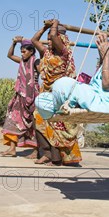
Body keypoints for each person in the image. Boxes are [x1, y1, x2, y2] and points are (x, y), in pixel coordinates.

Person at [35, 11, 109, 128]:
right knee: (40, 100)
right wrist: (102, 56)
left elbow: (108, 85)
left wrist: (106, 56)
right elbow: (98, 79)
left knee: (62, 83)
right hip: (97, 95)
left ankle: (70, 103)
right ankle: (69, 104)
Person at [31, 19, 82, 166]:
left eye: (51, 39)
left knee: (56, 124)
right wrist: (44, 27)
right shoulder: (47, 53)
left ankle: (57, 158)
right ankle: (47, 153)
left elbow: (54, 37)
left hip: (59, 95)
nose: (49, 42)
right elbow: (34, 40)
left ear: (60, 39)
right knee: (39, 119)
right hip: (46, 93)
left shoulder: (64, 53)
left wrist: (55, 23)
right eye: (47, 40)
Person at [0, 36, 40, 157]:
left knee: (33, 123)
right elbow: (9, 55)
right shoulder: (22, 61)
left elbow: (42, 72)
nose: (22, 54)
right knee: (12, 119)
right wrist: (14, 43)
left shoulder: (36, 62)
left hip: (32, 96)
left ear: (31, 51)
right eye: (21, 51)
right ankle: (12, 148)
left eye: (24, 51)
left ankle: (36, 150)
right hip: (20, 96)